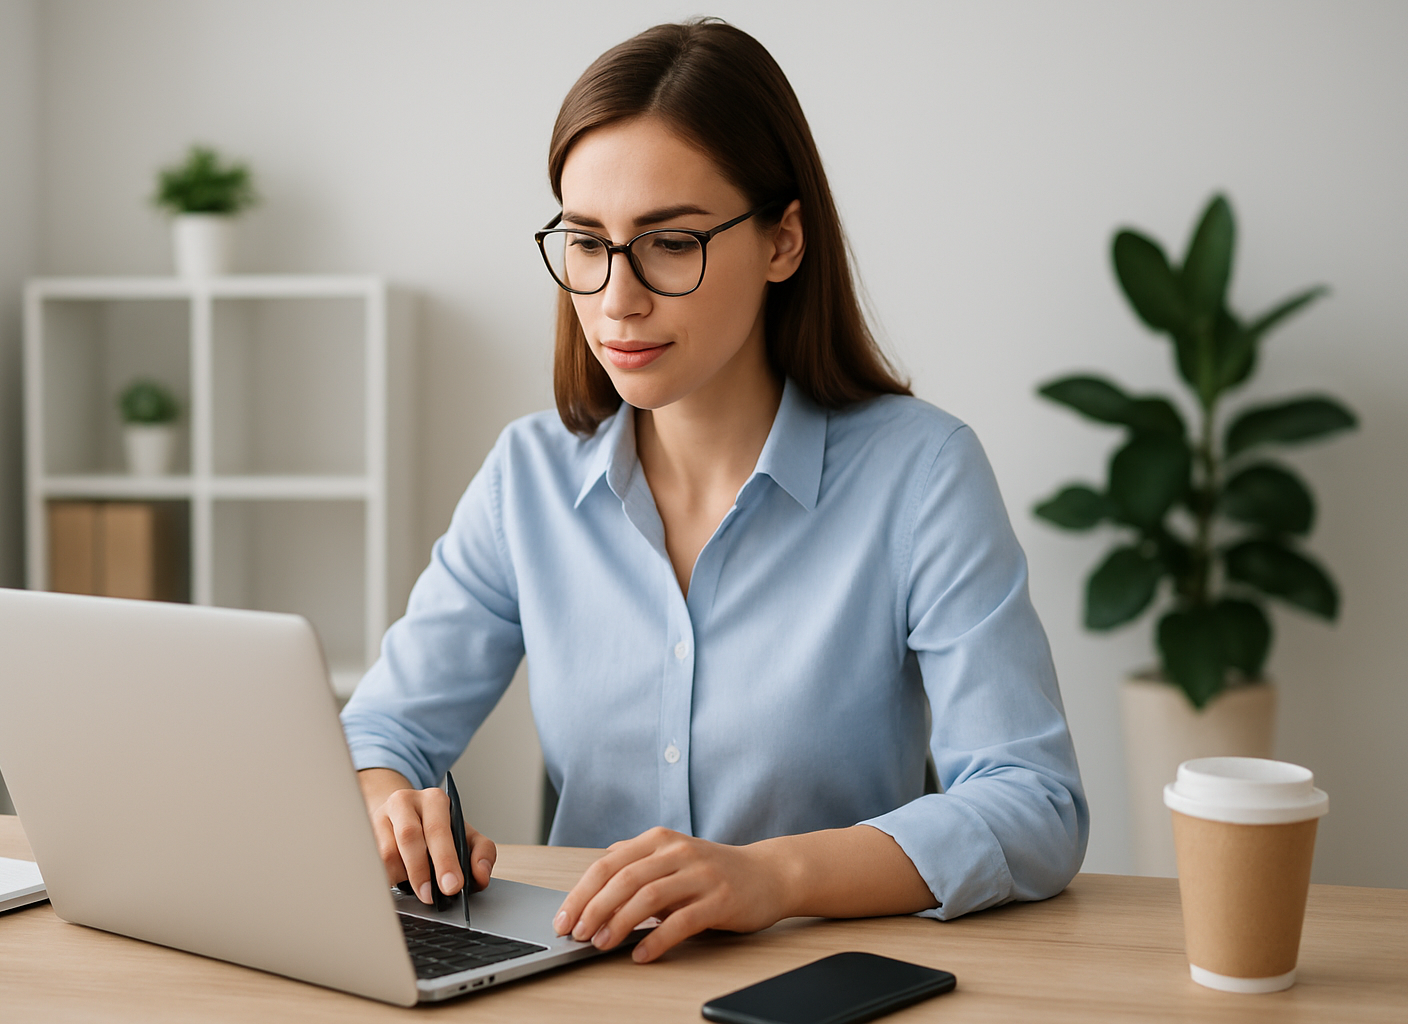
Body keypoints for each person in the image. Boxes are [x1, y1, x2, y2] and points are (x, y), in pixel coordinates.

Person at [341, 18, 1088, 965]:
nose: (617, 298)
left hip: (819, 982)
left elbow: (1035, 802)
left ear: (783, 241)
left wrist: (773, 877)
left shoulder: (922, 473)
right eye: (585, 241)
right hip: (584, 979)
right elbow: (382, 729)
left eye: (671, 243)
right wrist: (389, 808)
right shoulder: (525, 477)